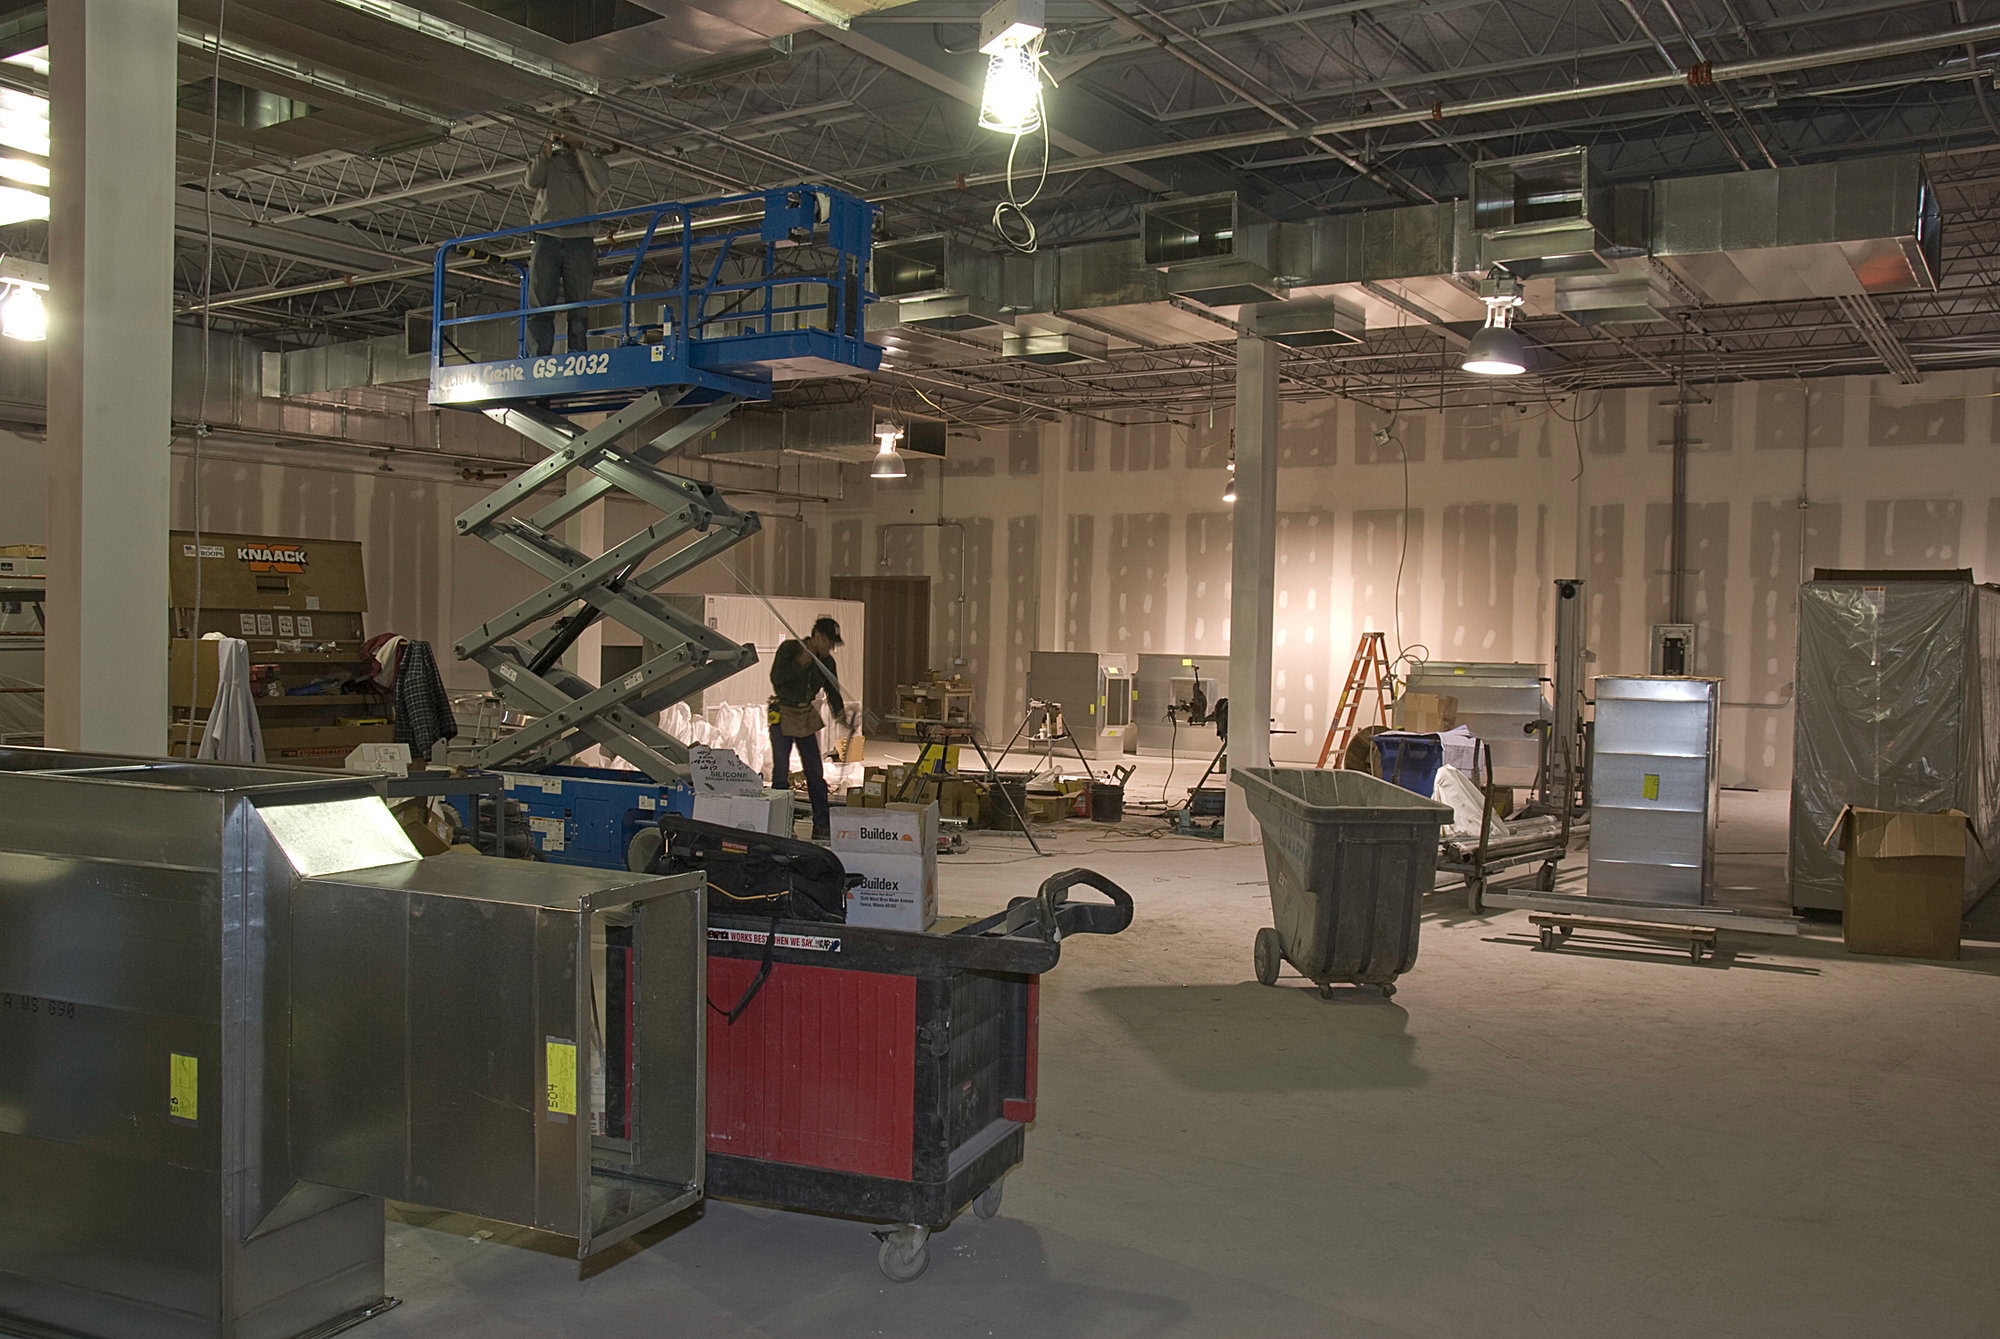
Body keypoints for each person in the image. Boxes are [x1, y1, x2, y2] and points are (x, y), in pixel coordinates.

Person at [522, 117, 609, 358]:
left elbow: (599, 184)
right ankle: (538, 356)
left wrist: (579, 150)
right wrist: (546, 152)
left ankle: (577, 354)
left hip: (580, 238)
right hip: (547, 237)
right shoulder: (547, 161)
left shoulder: (592, 161)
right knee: (540, 304)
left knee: (578, 303)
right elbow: (531, 181)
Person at [770, 616, 848, 840]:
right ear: (817, 637)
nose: (831, 647)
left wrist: (840, 713)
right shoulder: (790, 649)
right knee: (780, 773)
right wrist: (799, 665)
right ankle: (780, 825)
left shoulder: (827, 662)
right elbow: (776, 678)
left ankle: (821, 824)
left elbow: (833, 691)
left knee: (815, 772)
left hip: (805, 715)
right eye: (829, 642)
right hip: (783, 713)